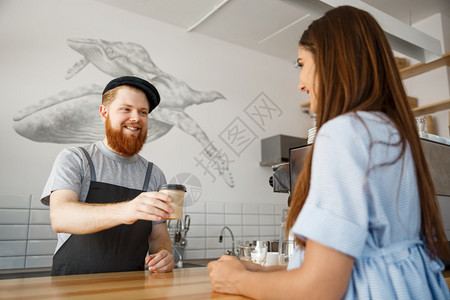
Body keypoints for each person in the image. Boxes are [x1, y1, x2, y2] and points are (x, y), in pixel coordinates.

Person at [208, 6, 450, 299]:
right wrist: (258, 271)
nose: (300, 83)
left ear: (331, 62)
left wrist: (236, 281)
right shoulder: (393, 134)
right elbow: (359, 265)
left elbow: (319, 288)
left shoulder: (343, 133)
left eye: (302, 64)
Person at [41, 76, 175, 275]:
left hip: (133, 289)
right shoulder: (76, 159)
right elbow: (60, 217)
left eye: (143, 112)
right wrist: (126, 210)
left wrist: (164, 254)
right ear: (104, 113)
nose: (136, 118)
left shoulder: (154, 174)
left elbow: (158, 235)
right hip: (71, 288)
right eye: (126, 109)